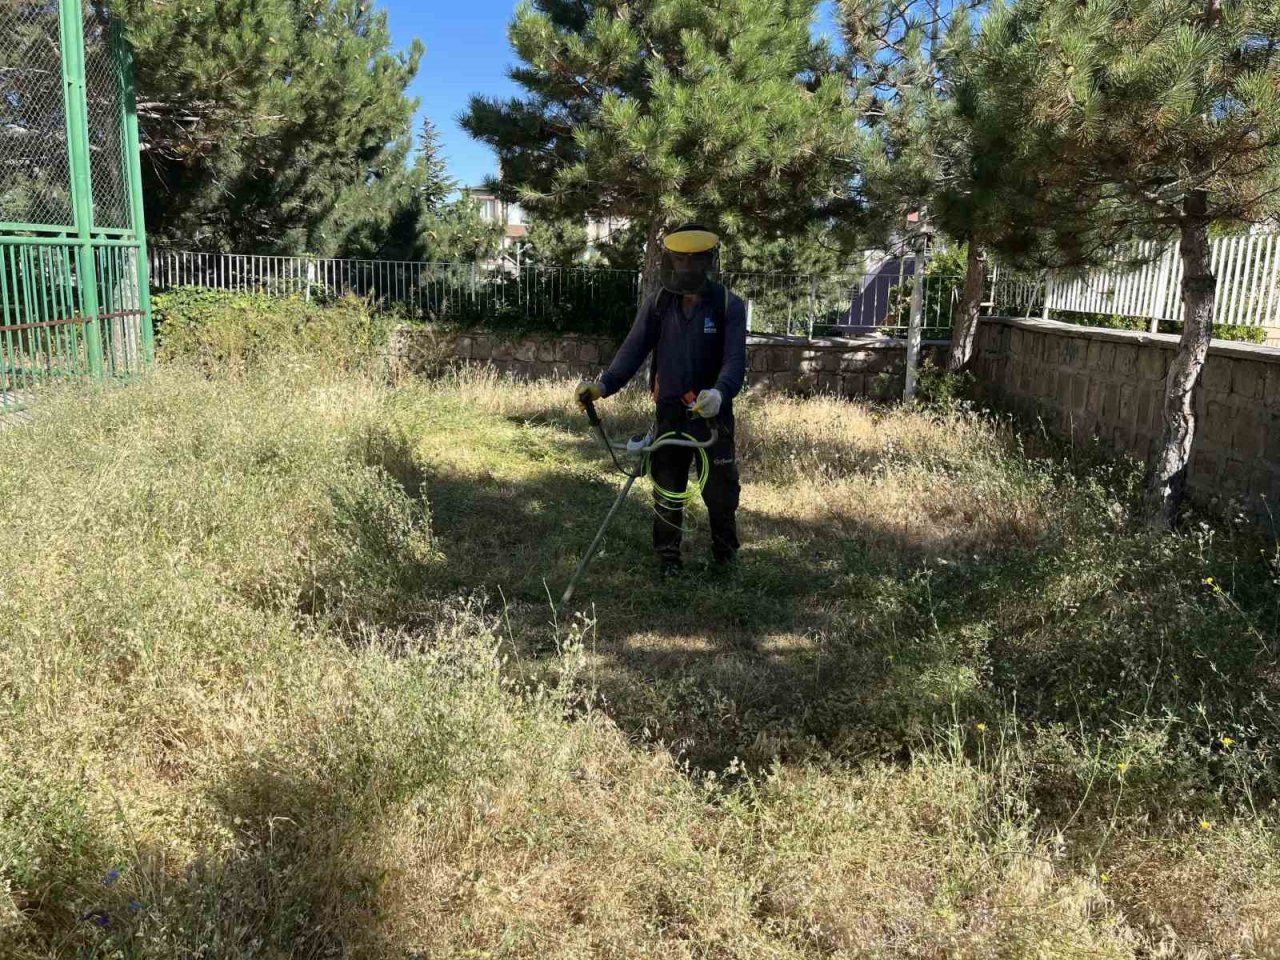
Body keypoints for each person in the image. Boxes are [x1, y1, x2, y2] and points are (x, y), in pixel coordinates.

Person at [575, 223, 748, 575]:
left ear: (707, 261)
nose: (686, 268)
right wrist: (604, 385)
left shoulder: (728, 305)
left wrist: (719, 392)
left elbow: (734, 361)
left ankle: (725, 558)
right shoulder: (659, 303)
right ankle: (668, 559)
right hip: (670, 413)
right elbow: (634, 348)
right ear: (672, 261)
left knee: (720, 492)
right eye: (679, 260)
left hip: (712, 415)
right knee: (668, 488)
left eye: (693, 261)